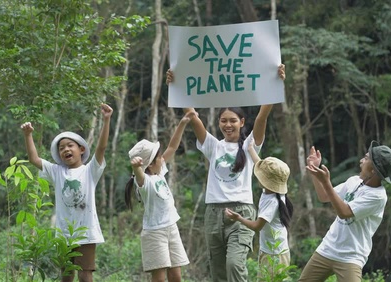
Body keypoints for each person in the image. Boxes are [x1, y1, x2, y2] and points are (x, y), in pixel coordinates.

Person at [166, 64, 286, 282]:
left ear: (241, 123)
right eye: (223, 120)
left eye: (233, 121)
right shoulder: (213, 146)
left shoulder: (250, 146)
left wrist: (275, 85)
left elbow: (261, 118)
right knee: (218, 272)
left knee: (234, 265)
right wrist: (176, 86)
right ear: (218, 122)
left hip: (242, 210)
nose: (228, 125)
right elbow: (193, 117)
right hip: (213, 213)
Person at [20, 103, 113, 282]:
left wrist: (106, 120)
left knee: (85, 274)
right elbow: (34, 159)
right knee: (66, 275)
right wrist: (28, 135)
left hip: (86, 232)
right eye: (61, 148)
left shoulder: (90, 171)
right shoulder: (57, 172)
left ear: (82, 150)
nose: (66, 150)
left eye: (70, 145)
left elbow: (101, 148)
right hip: (64, 233)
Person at [299, 141, 391, 282]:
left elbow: (344, 212)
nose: (361, 161)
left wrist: (326, 182)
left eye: (366, 158)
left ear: (373, 171)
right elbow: (324, 196)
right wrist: (315, 171)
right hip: (327, 249)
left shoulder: (378, 197)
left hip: (351, 256)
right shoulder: (353, 181)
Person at [125, 111, 196, 282]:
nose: (162, 159)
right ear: (150, 163)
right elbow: (140, 176)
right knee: (160, 278)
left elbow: (172, 147)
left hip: (171, 227)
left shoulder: (159, 174)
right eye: (158, 157)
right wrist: (136, 168)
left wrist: (182, 123)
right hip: (154, 232)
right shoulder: (144, 182)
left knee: (176, 276)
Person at [225, 140, 294, 280]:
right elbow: (260, 164)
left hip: (275, 253)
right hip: (269, 249)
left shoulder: (272, 202)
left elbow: (257, 226)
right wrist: (250, 148)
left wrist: (238, 218)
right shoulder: (272, 191)